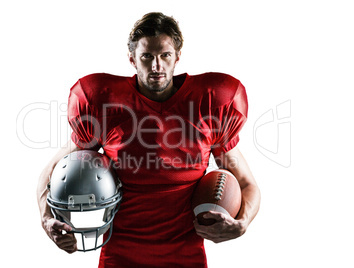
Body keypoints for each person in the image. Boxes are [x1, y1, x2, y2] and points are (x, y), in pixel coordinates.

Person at [37, 12, 261, 268]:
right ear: (132, 59)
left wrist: (242, 223)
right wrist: (47, 219)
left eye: (165, 55)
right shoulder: (105, 105)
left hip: (185, 255)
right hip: (120, 254)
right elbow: (52, 170)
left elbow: (245, 182)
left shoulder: (208, 105)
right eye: (147, 56)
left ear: (177, 56)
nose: (156, 66)